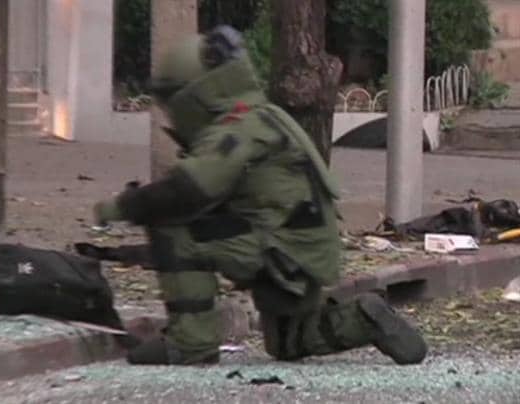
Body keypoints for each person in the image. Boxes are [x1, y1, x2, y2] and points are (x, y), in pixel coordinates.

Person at [93, 25, 427, 366]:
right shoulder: (266, 115)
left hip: (282, 250)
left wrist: (121, 206)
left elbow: (187, 191)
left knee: (173, 226)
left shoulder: (237, 127)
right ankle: (363, 317)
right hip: (304, 251)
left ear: (195, 95)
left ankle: (191, 342)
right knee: (287, 342)